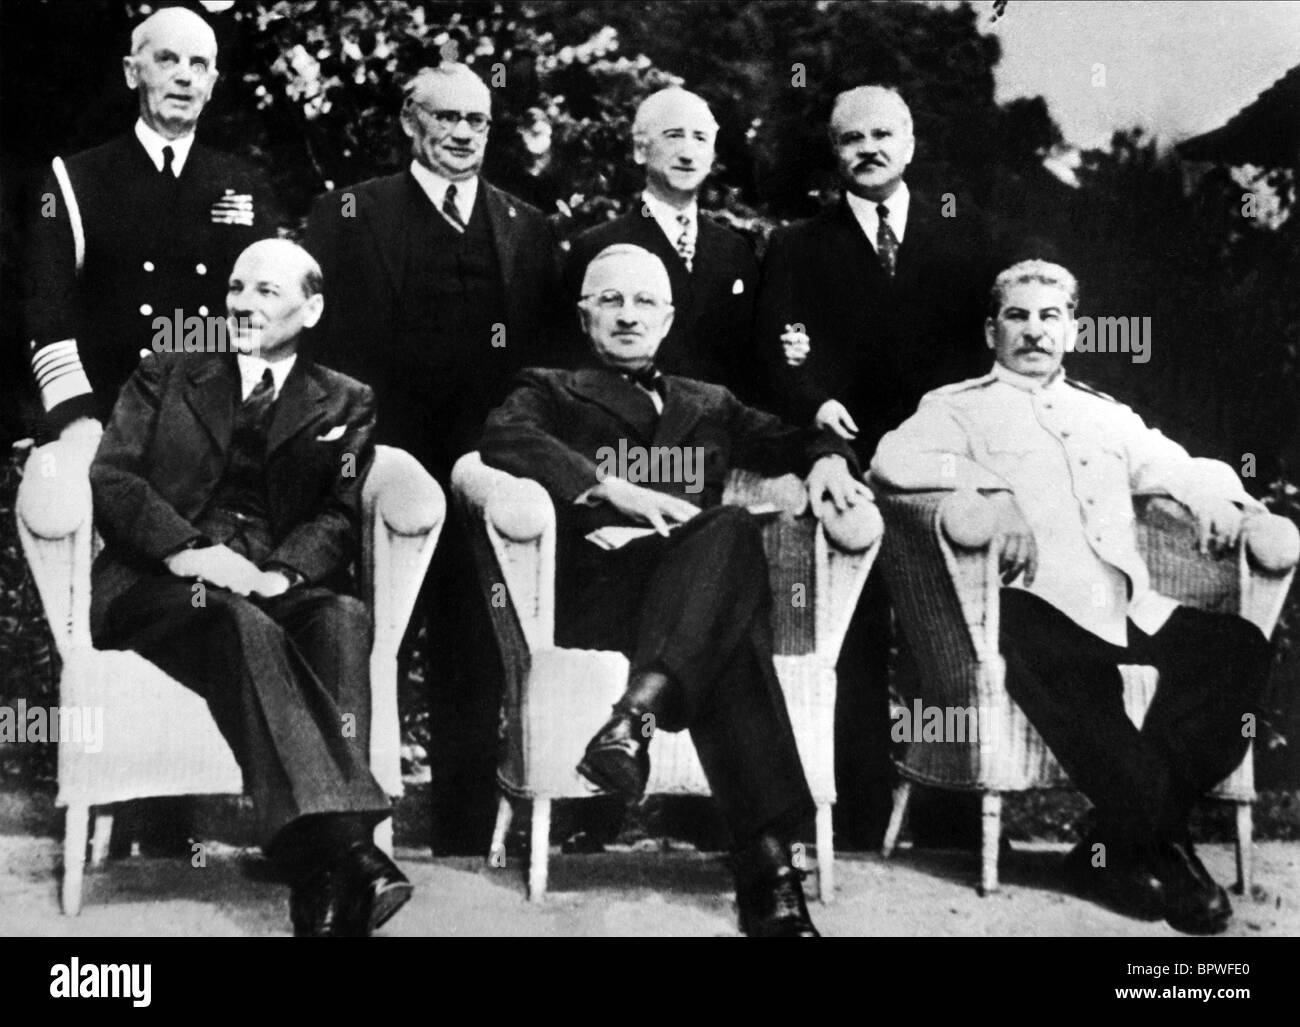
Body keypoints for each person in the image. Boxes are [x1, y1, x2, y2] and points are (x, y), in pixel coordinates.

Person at [479, 243, 874, 936]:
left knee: (724, 542)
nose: (628, 316)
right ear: (584, 315)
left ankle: (634, 717)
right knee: (729, 560)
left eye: (643, 303)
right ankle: (769, 872)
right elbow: (504, 439)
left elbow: (793, 440)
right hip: (602, 591)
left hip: (691, 600)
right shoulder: (547, 387)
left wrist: (830, 460)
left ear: (667, 318)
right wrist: (608, 487)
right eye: (610, 301)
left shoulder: (709, 401)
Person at [871, 259, 1272, 935]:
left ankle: (1105, 846)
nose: (1033, 331)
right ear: (991, 329)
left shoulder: (1105, 413)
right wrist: (991, 492)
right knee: (1078, 681)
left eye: (1049, 317)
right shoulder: (958, 407)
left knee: (1237, 647)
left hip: (1125, 605)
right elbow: (893, 459)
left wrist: (1221, 500)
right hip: (1024, 605)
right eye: (1017, 316)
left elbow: (1174, 465)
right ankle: (1171, 856)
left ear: (1074, 331)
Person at [89, 240, 411, 938]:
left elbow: (337, 509)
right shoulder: (166, 373)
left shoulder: (347, 399)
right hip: (159, 582)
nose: (241, 303)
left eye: (266, 290)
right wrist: (192, 553)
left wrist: (283, 572)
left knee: (343, 618)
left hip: (269, 577)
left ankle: (326, 890)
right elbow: (115, 478)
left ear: (312, 306)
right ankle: (349, 852)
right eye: (236, 287)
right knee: (237, 619)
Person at [305, 62, 563, 853]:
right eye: (445, 118)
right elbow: (314, 351)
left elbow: (545, 361)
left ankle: (460, 834)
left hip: (486, 472)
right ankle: (345, 833)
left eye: (477, 120)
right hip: (382, 467)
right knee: (364, 637)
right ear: (410, 124)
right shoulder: (348, 214)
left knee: (475, 638)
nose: (461, 133)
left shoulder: (526, 225)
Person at [755, 84, 1002, 849]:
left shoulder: (965, 236)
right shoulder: (799, 243)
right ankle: (856, 817)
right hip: (848, 466)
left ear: (910, 140)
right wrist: (816, 408)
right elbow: (778, 347)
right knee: (851, 640)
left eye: (883, 134)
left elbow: (989, 358)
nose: (868, 149)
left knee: (948, 636)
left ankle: (949, 812)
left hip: (939, 472)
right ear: (834, 153)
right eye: (850, 138)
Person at [25, 6, 280, 444]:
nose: (184, 77)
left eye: (198, 65)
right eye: (167, 59)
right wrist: (76, 422)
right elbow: (48, 314)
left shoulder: (245, 184)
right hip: (107, 422)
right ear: (131, 72)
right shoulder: (74, 179)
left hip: (219, 426)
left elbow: (265, 319)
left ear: (212, 85)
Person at [563, 87, 760, 396]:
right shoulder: (596, 247)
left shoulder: (734, 249)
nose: (687, 152)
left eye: (699, 138)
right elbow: (570, 361)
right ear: (641, 149)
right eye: (673, 135)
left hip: (719, 432)